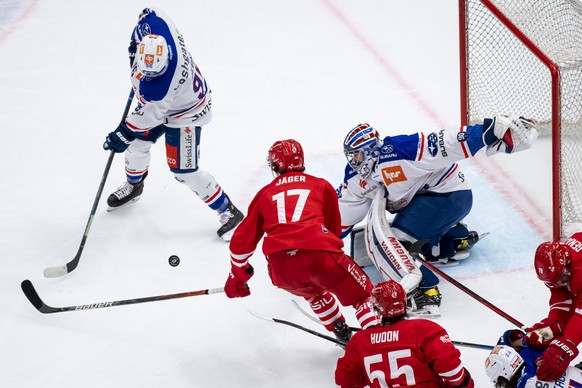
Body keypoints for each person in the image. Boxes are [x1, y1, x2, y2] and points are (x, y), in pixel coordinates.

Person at [337, 116, 538, 315]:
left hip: (450, 196)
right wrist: (322, 240)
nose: (354, 162)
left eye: (357, 155)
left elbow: (444, 141)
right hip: (426, 199)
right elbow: (344, 210)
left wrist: (490, 131)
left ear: (371, 151)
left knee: (395, 245)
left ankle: (424, 289)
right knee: (403, 231)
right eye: (351, 156)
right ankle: (451, 239)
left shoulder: (398, 151)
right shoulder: (356, 177)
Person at [103, 7, 243, 240]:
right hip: (165, 104)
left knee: (184, 171)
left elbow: (150, 116)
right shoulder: (157, 27)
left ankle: (228, 211)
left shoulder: (164, 84)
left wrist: (122, 133)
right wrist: (133, 48)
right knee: (137, 145)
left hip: (187, 112)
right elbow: (148, 12)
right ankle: (134, 186)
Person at [224, 139, 377, 343]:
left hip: (282, 268)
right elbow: (333, 230)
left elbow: (241, 242)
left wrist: (238, 277)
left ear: (276, 165)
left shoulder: (264, 194)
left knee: (313, 293)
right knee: (363, 296)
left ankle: (342, 332)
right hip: (320, 253)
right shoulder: (321, 186)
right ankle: (379, 340)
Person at [335, 279, 475, 387]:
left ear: (377, 309)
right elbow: (454, 375)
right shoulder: (425, 329)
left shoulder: (359, 341)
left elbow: (345, 380)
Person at [519, 232, 582, 381]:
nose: (558, 284)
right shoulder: (558, 269)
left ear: (567, 266)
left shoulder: (578, 270)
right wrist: (552, 327)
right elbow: (563, 299)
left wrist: (566, 345)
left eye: (560, 280)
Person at [484, 329, 582, 387]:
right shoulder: (531, 356)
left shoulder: (525, 379)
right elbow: (553, 332)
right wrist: (525, 339)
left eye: (500, 381)